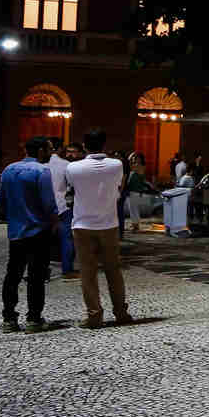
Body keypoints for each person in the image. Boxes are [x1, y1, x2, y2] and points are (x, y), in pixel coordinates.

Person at [66, 128, 133, 329]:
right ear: (104, 144)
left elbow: (71, 190)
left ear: (84, 146)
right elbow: (119, 188)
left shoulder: (73, 168)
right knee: (113, 270)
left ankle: (94, 315)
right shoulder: (117, 165)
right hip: (109, 224)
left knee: (88, 272)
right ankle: (121, 312)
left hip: (82, 225)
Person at [0, 137, 58, 333]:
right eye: (49, 149)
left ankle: (9, 318)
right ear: (40, 150)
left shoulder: (8, 170)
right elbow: (49, 204)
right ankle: (34, 318)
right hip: (38, 230)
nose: (51, 153)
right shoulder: (42, 171)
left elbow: (1, 202)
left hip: (16, 232)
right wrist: (54, 222)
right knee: (36, 276)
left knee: (12, 275)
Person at [46, 136, 77, 280]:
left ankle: (42, 270)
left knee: (42, 239)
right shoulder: (65, 165)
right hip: (62, 205)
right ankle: (67, 269)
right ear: (59, 149)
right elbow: (71, 185)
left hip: (44, 206)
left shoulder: (42, 163)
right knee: (66, 238)